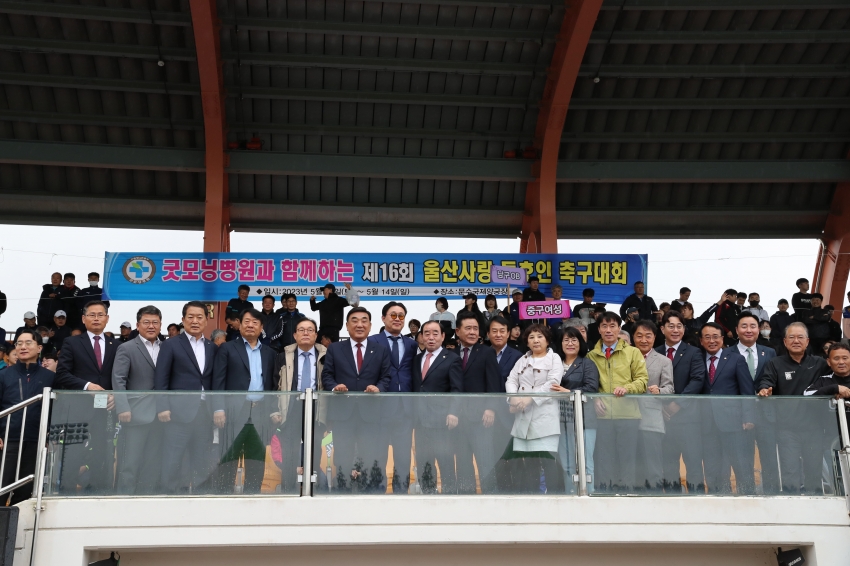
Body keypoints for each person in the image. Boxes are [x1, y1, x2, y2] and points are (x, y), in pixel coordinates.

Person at [321, 307, 391, 489]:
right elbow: (327, 375)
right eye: (354, 320)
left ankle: (368, 492)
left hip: (371, 414)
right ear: (346, 325)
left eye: (364, 320)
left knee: (369, 456)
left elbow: (386, 377)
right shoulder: (335, 348)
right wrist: (334, 387)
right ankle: (341, 491)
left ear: (370, 325)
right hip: (343, 414)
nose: (359, 324)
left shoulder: (381, 350)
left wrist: (379, 388)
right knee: (342, 456)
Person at [757, 322, 830, 494]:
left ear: (807, 341)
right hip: (786, 429)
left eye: (800, 337)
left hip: (814, 427)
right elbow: (766, 381)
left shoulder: (819, 363)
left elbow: (833, 379)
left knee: (814, 470)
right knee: (789, 471)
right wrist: (764, 388)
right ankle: (792, 504)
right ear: (785, 341)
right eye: (791, 337)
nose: (796, 341)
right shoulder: (775, 363)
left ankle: (814, 504)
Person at [54, 300, 118, 493]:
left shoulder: (117, 345)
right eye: (92, 315)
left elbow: (121, 376)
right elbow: (62, 374)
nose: (96, 318)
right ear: (83, 319)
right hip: (78, 408)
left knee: (102, 452)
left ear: (107, 318)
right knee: (73, 453)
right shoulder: (72, 342)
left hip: (105, 408)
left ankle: (98, 492)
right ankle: (66, 492)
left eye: (100, 315)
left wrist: (117, 395)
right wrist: (87, 386)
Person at [154, 301, 217, 494]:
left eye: (199, 317)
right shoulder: (171, 344)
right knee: (173, 457)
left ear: (206, 320)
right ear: (183, 320)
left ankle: (201, 495)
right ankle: (170, 494)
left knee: (202, 458)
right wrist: (162, 406)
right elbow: (161, 378)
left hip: (204, 413)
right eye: (190, 317)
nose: (195, 321)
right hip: (177, 413)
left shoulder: (212, 347)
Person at [211, 308, 276, 494]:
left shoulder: (270, 353)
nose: (250, 325)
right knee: (229, 458)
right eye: (246, 321)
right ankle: (223, 497)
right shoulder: (227, 348)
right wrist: (218, 408)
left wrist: (273, 410)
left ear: (261, 327)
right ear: (239, 325)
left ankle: (252, 498)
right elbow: (218, 380)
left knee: (256, 460)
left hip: (260, 413)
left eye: (255, 322)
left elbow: (272, 385)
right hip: (233, 412)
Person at [586, 312, 648, 492]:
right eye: (604, 326)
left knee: (627, 459)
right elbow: (589, 384)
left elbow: (642, 380)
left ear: (619, 328)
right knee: (604, 460)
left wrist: (627, 388)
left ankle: (627, 495)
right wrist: (594, 398)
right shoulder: (591, 356)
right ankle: (606, 495)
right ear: (598, 329)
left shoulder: (633, 352)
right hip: (602, 417)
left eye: (612, 326)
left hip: (628, 415)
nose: (608, 330)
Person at [500, 324, 563, 493]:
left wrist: (531, 398)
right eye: (531, 337)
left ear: (547, 340)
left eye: (540, 336)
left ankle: (554, 498)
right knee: (529, 462)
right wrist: (513, 398)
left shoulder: (554, 358)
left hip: (545, 417)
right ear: (527, 342)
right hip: (523, 416)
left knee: (549, 461)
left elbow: (553, 383)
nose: (536, 340)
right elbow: (511, 380)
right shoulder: (523, 359)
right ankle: (532, 497)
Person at [112, 305, 164, 495]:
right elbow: (118, 379)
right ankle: (124, 500)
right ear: (138, 325)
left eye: (155, 322)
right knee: (130, 462)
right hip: (134, 414)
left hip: (161, 415)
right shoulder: (126, 348)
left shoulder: (166, 347)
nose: (151, 326)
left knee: (153, 462)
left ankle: (146, 499)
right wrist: (122, 407)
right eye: (146, 322)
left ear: (160, 325)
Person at [699, 322, 755, 494]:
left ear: (722, 339)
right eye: (707, 337)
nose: (712, 341)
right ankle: (718, 498)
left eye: (715, 337)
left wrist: (748, 417)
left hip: (734, 423)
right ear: (701, 341)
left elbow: (747, 390)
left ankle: (747, 498)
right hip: (707, 423)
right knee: (713, 466)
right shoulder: (697, 359)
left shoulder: (736, 359)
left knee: (741, 464)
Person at [272, 317, 326, 493]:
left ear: (316, 335)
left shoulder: (326, 356)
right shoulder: (283, 356)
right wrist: (275, 410)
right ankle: (288, 490)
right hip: (291, 407)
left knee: (315, 450)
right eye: (301, 330)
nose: (306, 333)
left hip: (317, 408)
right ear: (295, 335)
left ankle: (314, 490)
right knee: (289, 451)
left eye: (310, 330)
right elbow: (274, 384)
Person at [0, 329, 54, 504]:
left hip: (36, 441)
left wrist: (49, 436)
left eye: (28, 343)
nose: (23, 347)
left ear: (39, 348)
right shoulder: (3, 375)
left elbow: (54, 409)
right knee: (1, 487)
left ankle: (17, 522)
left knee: (25, 492)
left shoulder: (50, 377)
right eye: (19, 343)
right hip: (7, 441)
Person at [655, 310, 706, 493]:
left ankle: (697, 500)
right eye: (671, 326)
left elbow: (697, 380)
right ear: (662, 329)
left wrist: (678, 403)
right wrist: (662, 406)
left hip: (688, 420)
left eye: (679, 326)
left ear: (684, 329)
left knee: (693, 463)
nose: (675, 330)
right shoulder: (655, 352)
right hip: (663, 419)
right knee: (668, 465)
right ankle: (672, 500)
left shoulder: (694, 352)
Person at [370, 302, 417, 494]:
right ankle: (377, 491)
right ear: (383, 318)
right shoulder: (372, 342)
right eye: (393, 315)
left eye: (401, 316)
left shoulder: (412, 344)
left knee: (403, 457)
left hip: (404, 409)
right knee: (378, 454)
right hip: (379, 408)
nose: (397, 319)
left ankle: (401, 493)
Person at [411, 321, 463, 494]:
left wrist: (453, 412)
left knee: (445, 461)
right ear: (421, 337)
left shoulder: (452, 359)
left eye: (435, 333)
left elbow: (457, 388)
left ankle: (449, 497)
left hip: (442, 421)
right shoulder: (417, 359)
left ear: (443, 336)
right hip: (420, 421)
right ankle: (428, 495)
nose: (431, 337)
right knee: (424, 462)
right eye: (427, 333)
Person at [453, 310, 501, 494]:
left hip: (481, 418)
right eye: (468, 328)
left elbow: (494, 383)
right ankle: (467, 499)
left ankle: (491, 498)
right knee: (463, 462)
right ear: (458, 331)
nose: (473, 332)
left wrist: (491, 408)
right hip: (457, 419)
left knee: (485, 461)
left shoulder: (487, 352)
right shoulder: (450, 353)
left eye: (475, 328)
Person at [551, 326, 599, 493]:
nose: (570, 343)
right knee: (567, 463)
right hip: (561, 420)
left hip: (584, 420)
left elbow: (591, 389)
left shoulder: (587, 364)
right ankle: (570, 495)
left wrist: (569, 392)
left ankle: (588, 495)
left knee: (585, 462)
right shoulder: (554, 364)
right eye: (566, 340)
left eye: (574, 340)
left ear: (580, 343)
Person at [631, 320, 673, 493]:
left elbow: (670, 388)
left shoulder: (664, 361)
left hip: (652, 420)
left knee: (653, 465)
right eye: (639, 336)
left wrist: (660, 391)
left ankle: (655, 498)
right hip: (627, 417)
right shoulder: (625, 357)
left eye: (648, 336)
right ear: (633, 337)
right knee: (631, 465)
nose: (643, 340)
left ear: (655, 337)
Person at [488, 315, 523, 473]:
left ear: (508, 333)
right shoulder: (483, 354)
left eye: (502, 331)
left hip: (510, 414)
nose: (498, 334)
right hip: (486, 415)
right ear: (488, 334)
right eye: (494, 331)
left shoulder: (518, 356)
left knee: (513, 457)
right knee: (492, 457)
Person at [804, 342, 850, 420]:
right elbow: (806, 396)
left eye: (845, 358)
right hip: (830, 426)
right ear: (829, 362)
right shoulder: (823, 380)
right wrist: (833, 388)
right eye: (836, 358)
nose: (841, 362)